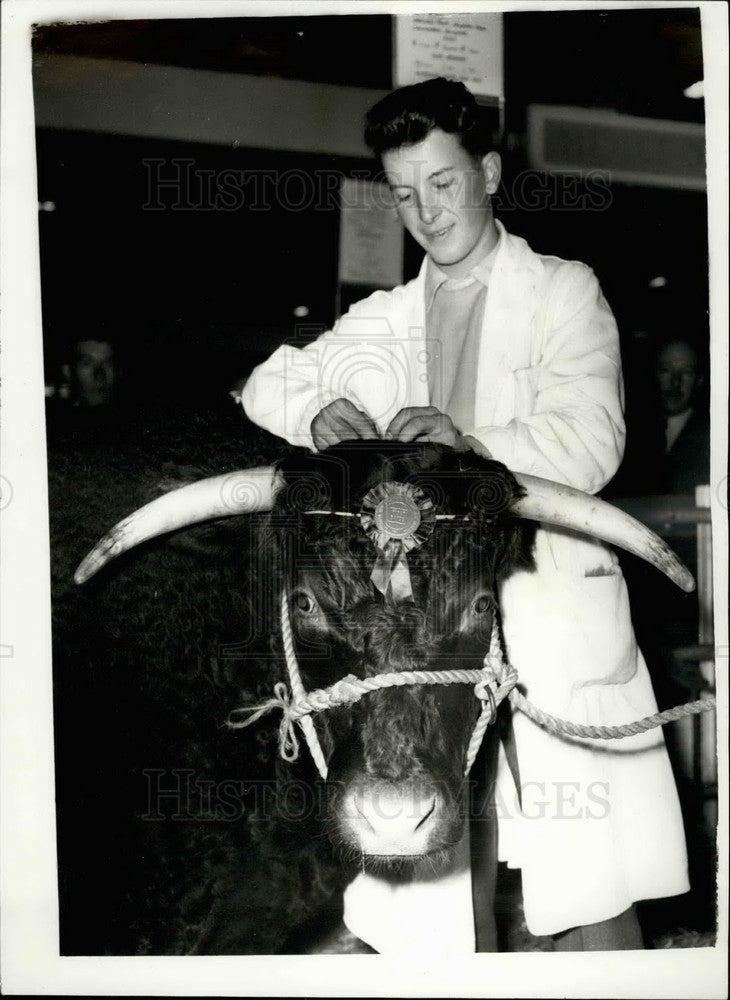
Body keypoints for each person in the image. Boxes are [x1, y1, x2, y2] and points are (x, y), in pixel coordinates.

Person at [242, 78, 689, 953]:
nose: (425, 212)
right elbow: (267, 382)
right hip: (430, 640)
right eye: (405, 194)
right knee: (439, 881)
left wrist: (471, 443)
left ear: (486, 171)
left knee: (589, 885)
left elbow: (592, 441)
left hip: (546, 612)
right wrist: (313, 414)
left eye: (442, 184)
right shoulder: (385, 318)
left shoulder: (564, 291)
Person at [655, 336, 710, 494]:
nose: (675, 382)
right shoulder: (631, 433)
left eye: (686, 373)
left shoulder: (711, 436)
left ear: (699, 380)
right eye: (666, 370)